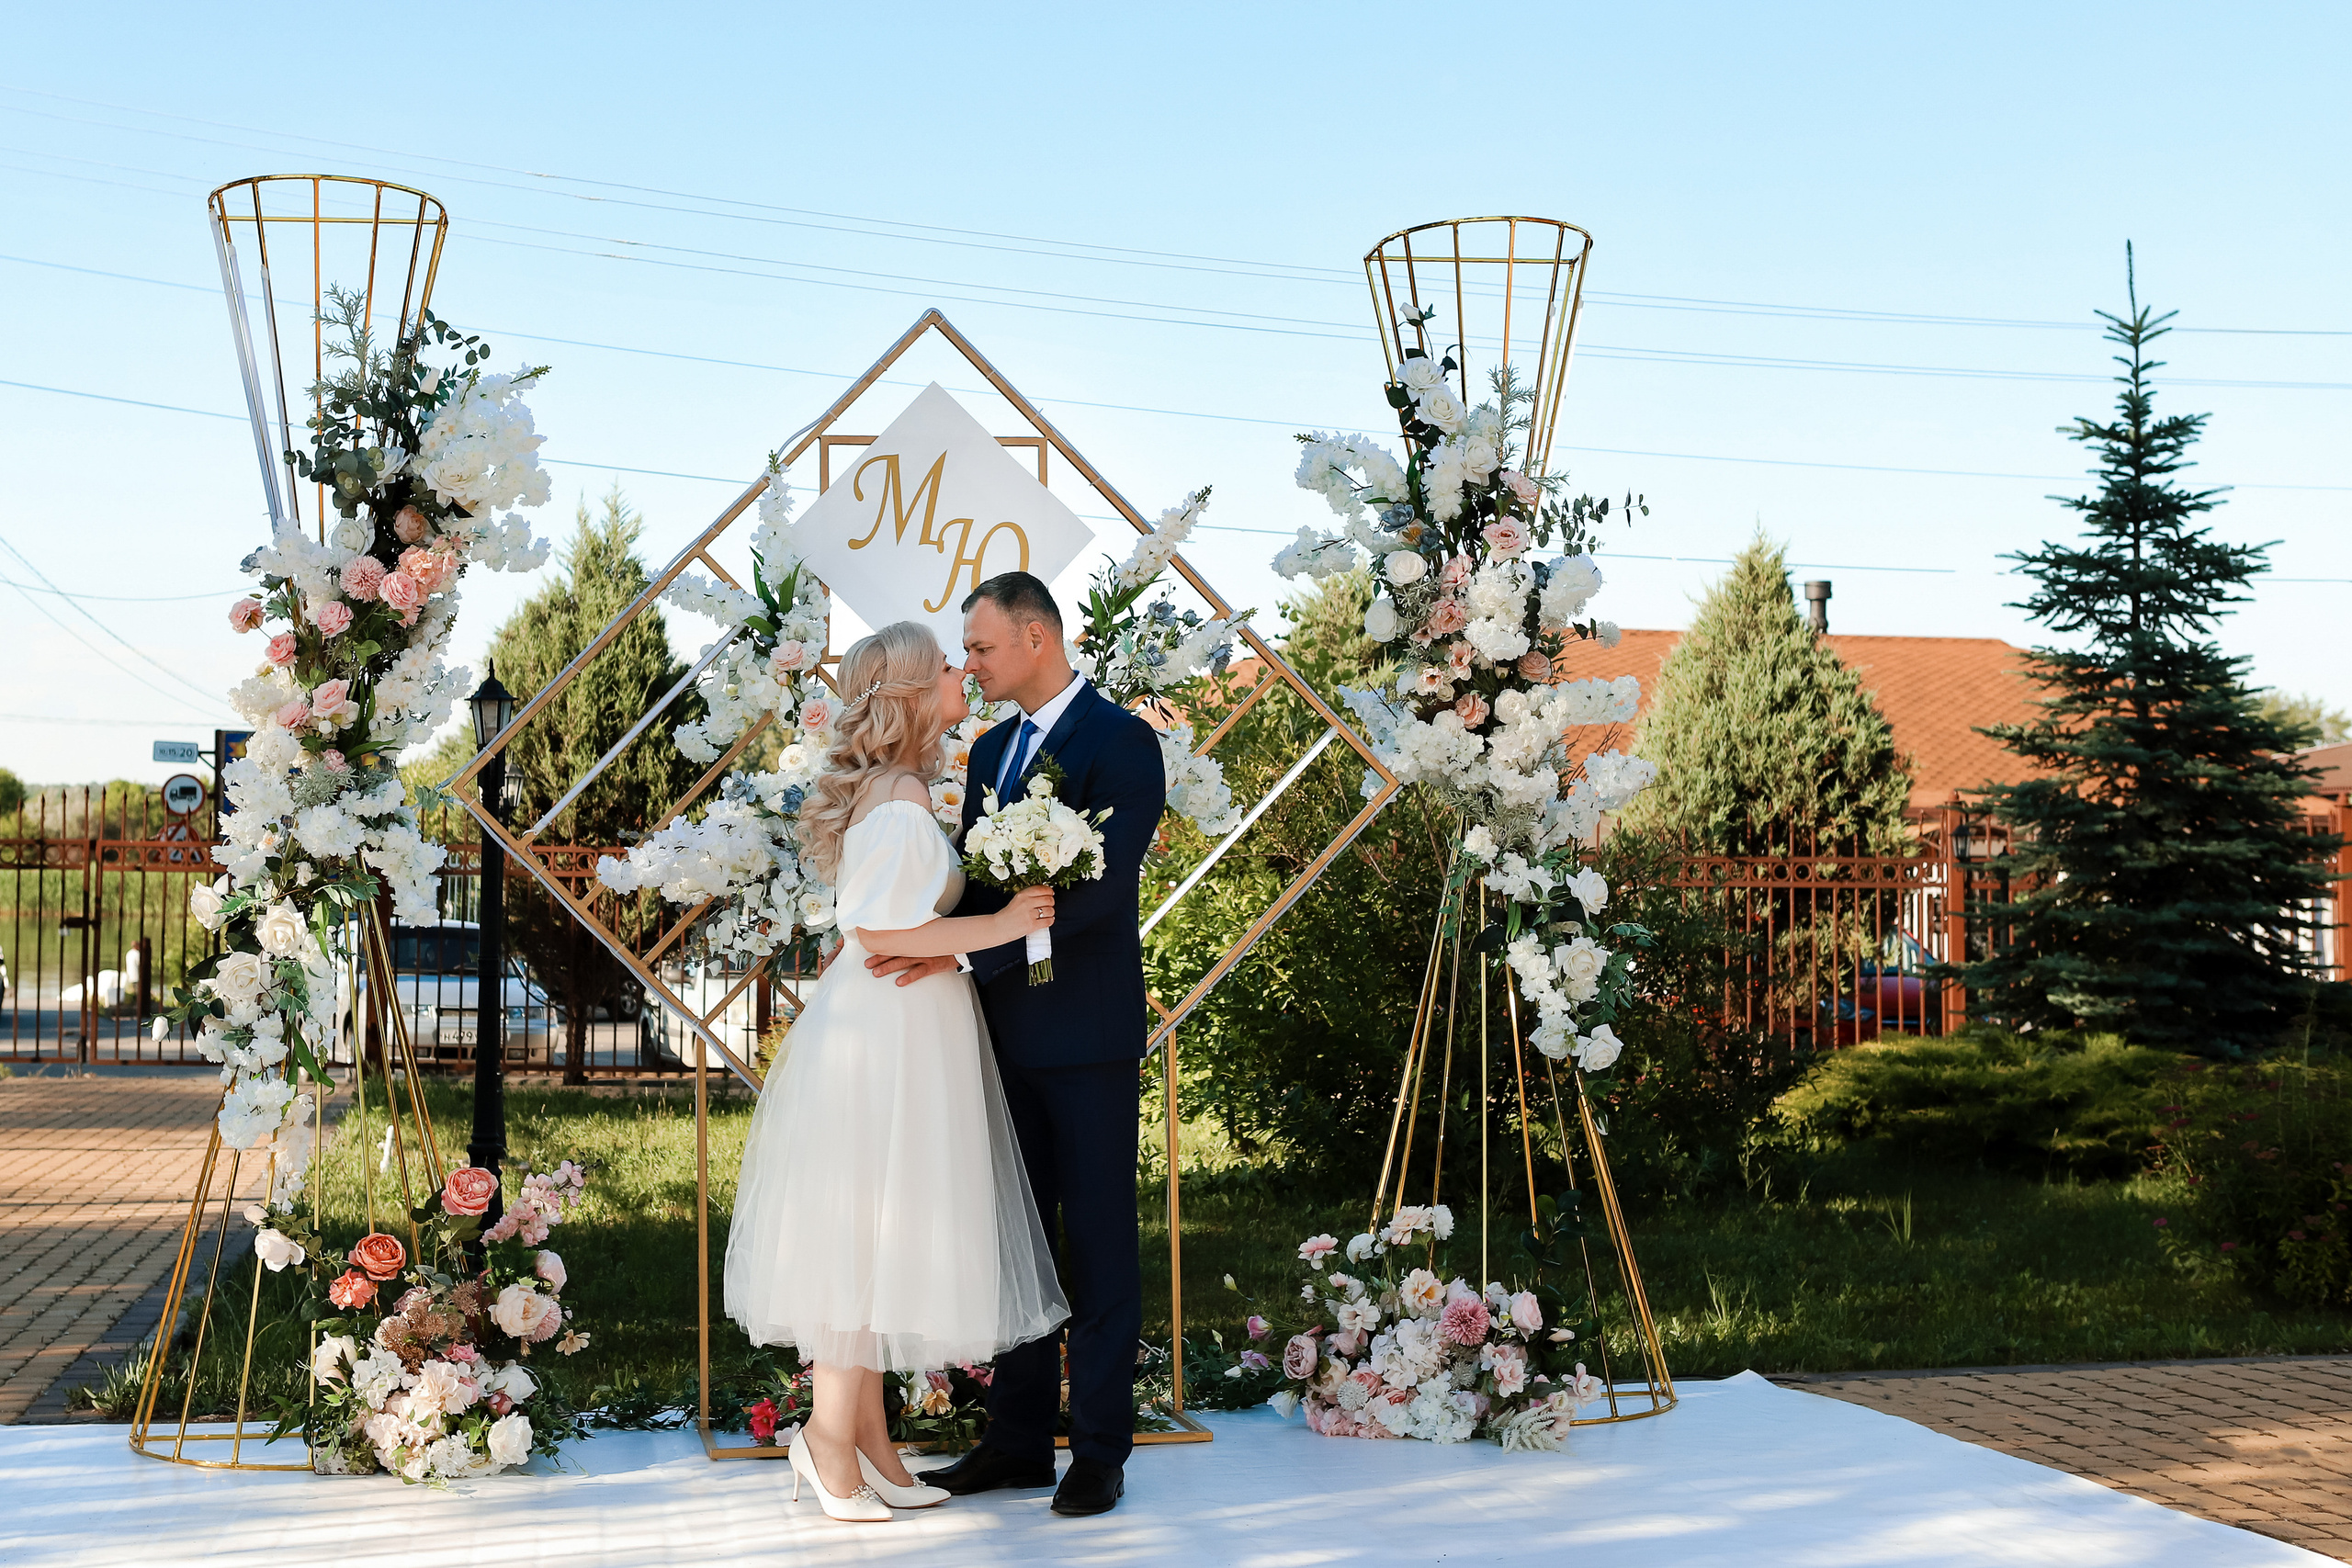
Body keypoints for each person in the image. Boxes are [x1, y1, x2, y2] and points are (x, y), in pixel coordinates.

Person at [725, 619, 1069, 1524]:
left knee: (884, 1229)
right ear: (914, 693)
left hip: (903, 1026)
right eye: (949, 666)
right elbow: (876, 928)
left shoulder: (901, 787)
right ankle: (826, 1441)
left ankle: (871, 1440)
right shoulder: (903, 794)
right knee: (867, 1232)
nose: (966, 674)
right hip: (886, 1036)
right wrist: (1003, 925)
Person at [866, 571, 1166, 1518]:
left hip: (1088, 1035)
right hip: (1000, 1034)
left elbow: (1104, 894)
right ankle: (1018, 1442)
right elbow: (982, 891)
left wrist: (972, 964)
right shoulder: (989, 751)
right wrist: (922, 945)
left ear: (1036, 638)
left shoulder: (1122, 742)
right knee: (1015, 1243)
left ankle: (1102, 1450)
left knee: (1099, 1245)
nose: (975, 666)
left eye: (985, 649)